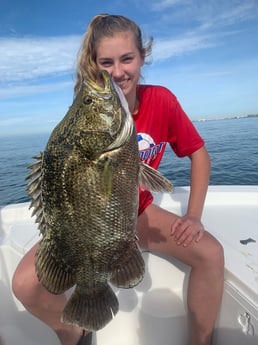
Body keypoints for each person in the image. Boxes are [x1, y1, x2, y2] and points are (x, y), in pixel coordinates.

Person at [12, 14, 224, 345]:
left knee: (211, 253)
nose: (119, 71)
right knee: (24, 284)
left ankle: (201, 341)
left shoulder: (161, 101)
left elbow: (199, 153)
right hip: (86, 224)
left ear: (142, 57)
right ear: (95, 65)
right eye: (106, 62)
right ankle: (75, 334)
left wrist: (194, 216)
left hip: (138, 212)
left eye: (127, 58)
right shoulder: (83, 118)